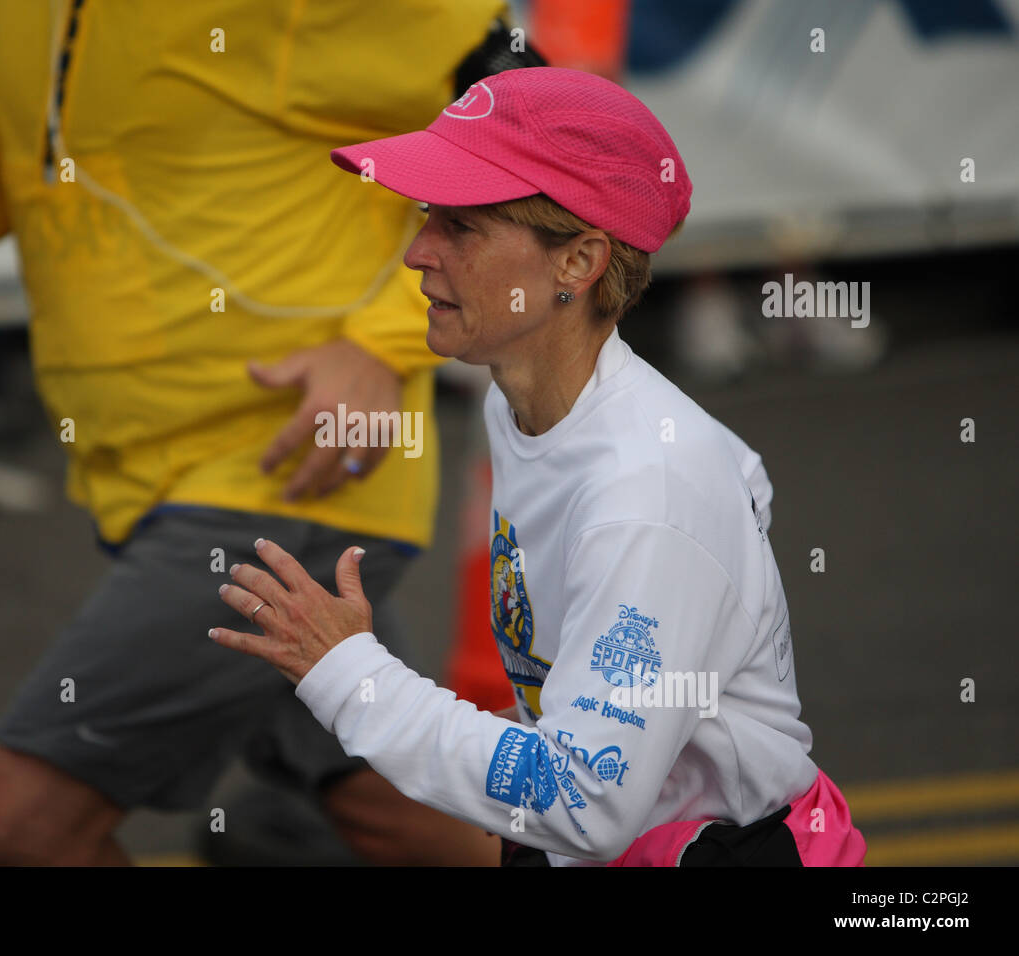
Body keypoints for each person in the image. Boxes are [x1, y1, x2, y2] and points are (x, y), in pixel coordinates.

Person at [0, 0, 537, 865]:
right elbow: (38, 135)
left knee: (26, 820)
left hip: (287, 471)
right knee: (392, 805)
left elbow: (534, 131)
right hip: (141, 469)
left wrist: (386, 343)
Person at [209, 66, 867, 866]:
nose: (417, 253)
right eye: (427, 216)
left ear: (578, 262)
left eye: (463, 227)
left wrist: (353, 675)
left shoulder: (648, 494)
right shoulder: (519, 402)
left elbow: (585, 800)